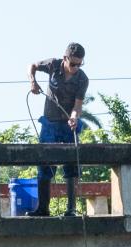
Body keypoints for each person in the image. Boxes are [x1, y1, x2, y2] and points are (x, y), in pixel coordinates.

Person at [27, 43, 88, 217]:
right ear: (65, 58)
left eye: (80, 64)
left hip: (68, 126)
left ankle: (71, 209)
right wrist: (33, 82)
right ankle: (43, 209)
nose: (76, 67)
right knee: (45, 164)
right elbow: (32, 66)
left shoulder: (82, 79)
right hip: (49, 124)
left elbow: (77, 105)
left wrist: (74, 117)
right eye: (73, 64)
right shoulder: (53, 65)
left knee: (71, 165)